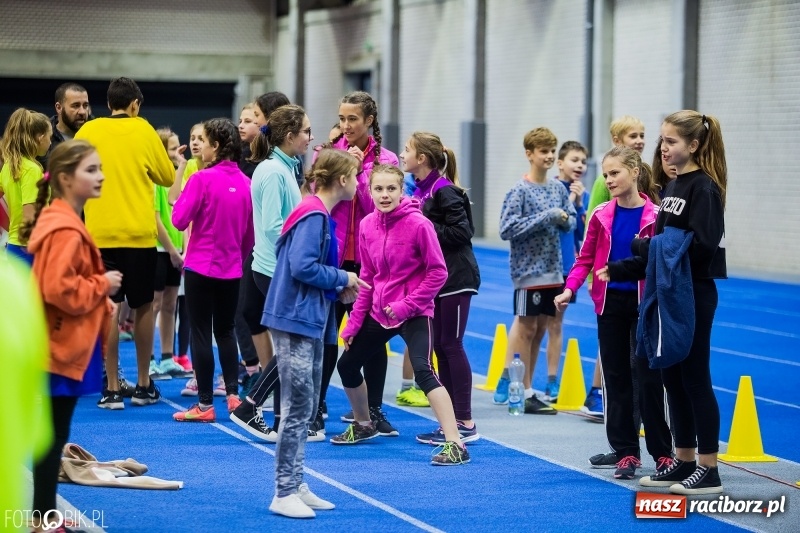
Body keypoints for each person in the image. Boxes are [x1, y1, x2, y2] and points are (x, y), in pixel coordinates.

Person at [600, 111, 728, 494]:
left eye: (671, 141)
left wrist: (647, 246)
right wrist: (621, 268)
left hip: (693, 293)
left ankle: (709, 467)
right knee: (671, 378)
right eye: (662, 141)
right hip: (667, 290)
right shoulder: (671, 187)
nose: (663, 148)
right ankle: (683, 459)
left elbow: (702, 245)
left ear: (693, 145)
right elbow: (660, 245)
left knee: (694, 378)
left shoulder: (703, 188)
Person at [332, 165, 470, 466]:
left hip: (415, 311)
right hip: (380, 311)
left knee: (423, 370)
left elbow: (438, 273)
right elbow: (368, 276)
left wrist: (408, 305)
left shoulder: (419, 225)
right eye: (378, 189)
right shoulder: (368, 226)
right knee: (348, 364)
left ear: (401, 190)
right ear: (370, 191)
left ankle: (455, 443)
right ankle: (364, 424)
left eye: (391, 189)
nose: (385, 195)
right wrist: (353, 324)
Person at [555, 146, 673, 480]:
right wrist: (569, 288)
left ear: (635, 171)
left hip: (645, 305)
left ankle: (663, 452)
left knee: (649, 378)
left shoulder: (656, 216)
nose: (609, 180)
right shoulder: (601, 215)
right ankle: (625, 453)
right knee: (617, 378)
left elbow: (663, 260)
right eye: (605, 175)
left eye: (615, 173)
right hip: (609, 306)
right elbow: (585, 259)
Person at [262, 148, 368, 518]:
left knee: (305, 406)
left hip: (311, 315)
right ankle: (283, 490)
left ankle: (296, 480)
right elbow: (302, 265)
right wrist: (344, 277)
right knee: (296, 406)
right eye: (355, 176)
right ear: (341, 180)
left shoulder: (318, 213)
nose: (359, 183)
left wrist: (337, 288)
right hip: (294, 317)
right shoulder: (313, 214)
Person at [23, 140, 122, 529]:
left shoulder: (63, 220)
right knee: (52, 434)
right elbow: (58, 288)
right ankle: (43, 517)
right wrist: (101, 286)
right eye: (91, 170)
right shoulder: (64, 228)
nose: (100, 177)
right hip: (58, 346)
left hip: (59, 343)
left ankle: (42, 514)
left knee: (54, 432)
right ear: (65, 179)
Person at [75, 77, 175, 409]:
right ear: (134, 105)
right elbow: (167, 176)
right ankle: (145, 385)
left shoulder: (88, 131)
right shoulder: (143, 129)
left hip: (99, 233)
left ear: (108, 104)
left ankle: (112, 388)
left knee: (108, 308)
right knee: (144, 305)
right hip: (138, 234)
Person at [230, 104, 317, 439]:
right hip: (276, 269)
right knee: (295, 348)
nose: (310, 137)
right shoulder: (272, 172)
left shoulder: (285, 168)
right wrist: (304, 250)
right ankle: (251, 405)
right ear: (290, 136)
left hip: (277, 267)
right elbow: (271, 227)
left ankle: (279, 417)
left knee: (294, 346)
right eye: (306, 131)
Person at [324, 91, 400, 434]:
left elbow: (381, 208)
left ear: (369, 121)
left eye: (352, 118)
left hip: (371, 263)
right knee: (328, 335)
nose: (346, 125)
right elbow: (321, 198)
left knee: (371, 340)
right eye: (342, 118)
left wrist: (363, 171)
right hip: (336, 258)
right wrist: (341, 164)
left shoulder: (387, 159)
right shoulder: (331, 154)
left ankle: (375, 409)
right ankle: (318, 405)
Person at [399, 132, 481, 445]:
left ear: (421, 158)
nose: (403, 154)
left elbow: (463, 232)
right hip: (436, 280)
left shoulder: (445, 191)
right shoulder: (419, 190)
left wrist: (422, 221)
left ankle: (466, 421)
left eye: (407, 150)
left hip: (457, 279)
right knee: (439, 348)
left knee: (452, 345)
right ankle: (451, 419)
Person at [170, 118, 254, 422]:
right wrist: (234, 259)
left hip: (200, 268)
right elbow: (250, 237)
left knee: (202, 333)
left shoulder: (201, 180)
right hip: (232, 270)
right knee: (227, 330)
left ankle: (204, 404)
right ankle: (232, 395)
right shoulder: (246, 184)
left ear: (216, 146)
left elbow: (179, 221)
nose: (199, 147)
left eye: (203, 141)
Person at [496, 127, 575, 414]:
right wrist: (546, 217)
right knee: (526, 328)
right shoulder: (519, 191)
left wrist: (565, 219)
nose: (550, 156)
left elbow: (571, 219)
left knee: (542, 328)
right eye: (544, 151)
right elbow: (507, 228)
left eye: (553, 151)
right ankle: (523, 389)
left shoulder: (557, 188)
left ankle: (529, 388)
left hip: (553, 269)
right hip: (528, 271)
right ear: (529, 154)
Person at [582, 115, 647, 423]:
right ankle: (597, 390)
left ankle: (643, 426)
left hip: (638, 282)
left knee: (639, 360)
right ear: (618, 141)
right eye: (632, 135)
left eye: (642, 135)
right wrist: (591, 273)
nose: (640, 140)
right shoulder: (604, 182)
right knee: (613, 354)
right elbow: (593, 225)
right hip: (608, 278)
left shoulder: (645, 177)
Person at [544, 141, 589, 402]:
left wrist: (580, 204)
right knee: (534, 325)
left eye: (583, 161)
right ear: (560, 163)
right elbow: (556, 221)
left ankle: (551, 381)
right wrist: (572, 199)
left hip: (565, 268)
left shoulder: (579, 195)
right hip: (545, 266)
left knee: (556, 325)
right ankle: (512, 376)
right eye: (575, 160)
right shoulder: (552, 189)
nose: (580, 166)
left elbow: (578, 233)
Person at [150, 128, 190, 379]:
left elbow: (185, 215)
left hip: (177, 250)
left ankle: (167, 357)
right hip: (158, 249)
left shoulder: (180, 178)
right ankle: (151, 359)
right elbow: (155, 220)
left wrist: (184, 249)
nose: (178, 152)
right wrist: (173, 251)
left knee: (170, 304)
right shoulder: (154, 179)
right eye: (172, 148)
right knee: (153, 304)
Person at [0, 108, 52, 265]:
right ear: (40, 138)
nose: (50, 142)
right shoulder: (31, 169)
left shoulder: (8, 167)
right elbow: (30, 216)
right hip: (29, 249)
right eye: (49, 137)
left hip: (15, 246)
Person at [41, 83, 91, 165]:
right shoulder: (43, 137)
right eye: (75, 106)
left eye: (85, 105)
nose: (82, 111)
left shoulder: (95, 133)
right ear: (58, 108)